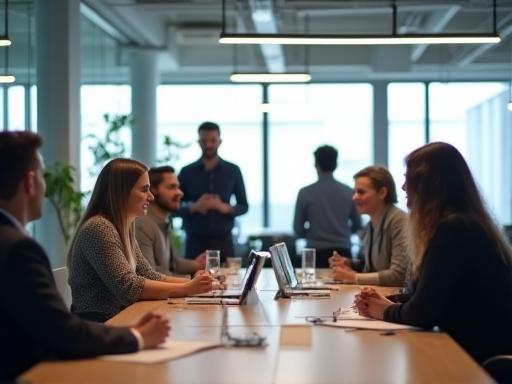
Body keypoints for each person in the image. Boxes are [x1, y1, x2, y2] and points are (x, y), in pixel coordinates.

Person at [0, 131, 170, 382]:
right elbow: (62, 332)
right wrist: (139, 336)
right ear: (30, 183)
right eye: (43, 176)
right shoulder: (19, 250)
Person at [354, 142, 512, 363]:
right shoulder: (464, 222)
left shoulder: (454, 229)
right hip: (469, 345)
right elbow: (434, 294)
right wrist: (388, 300)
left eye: (408, 178)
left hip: (478, 357)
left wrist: (383, 310)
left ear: (429, 184)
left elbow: (422, 314)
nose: (402, 187)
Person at [68, 158, 213, 323]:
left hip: (118, 319)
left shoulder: (123, 227)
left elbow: (148, 274)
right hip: (99, 325)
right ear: (122, 192)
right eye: (145, 190)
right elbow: (129, 287)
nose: (151, 197)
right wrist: (187, 288)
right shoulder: (100, 228)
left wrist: (194, 283)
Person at [178, 121, 248, 263]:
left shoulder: (233, 170)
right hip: (194, 243)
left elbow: (244, 206)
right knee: (193, 283)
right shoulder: (186, 172)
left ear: (219, 141)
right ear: (199, 142)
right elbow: (173, 207)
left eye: (212, 141)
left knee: (228, 282)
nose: (208, 145)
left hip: (225, 242)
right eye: (204, 141)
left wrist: (224, 207)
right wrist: (194, 207)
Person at [329, 166, 408, 286]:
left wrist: (354, 277)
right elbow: (370, 267)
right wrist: (348, 263)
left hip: (393, 300)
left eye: (361, 192)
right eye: (354, 192)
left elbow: (398, 275)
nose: (354, 197)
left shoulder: (400, 222)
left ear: (382, 193)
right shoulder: (370, 225)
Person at [293, 145, 361, 267]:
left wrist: (315, 233)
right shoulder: (349, 192)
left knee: (311, 284)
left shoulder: (305, 193)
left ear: (315, 164)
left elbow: (297, 228)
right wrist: (342, 232)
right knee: (345, 285)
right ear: (336, 164)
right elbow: (358, 225)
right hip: (343, 253)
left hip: (314, 253)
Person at [135, 166, 206, 275]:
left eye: (178, 187)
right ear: (153, 190)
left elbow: (173, 263)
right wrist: (190, 282)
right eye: (172, 187)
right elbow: (149, 276)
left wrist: (198, 265)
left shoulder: (163, 221)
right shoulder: (142, 225)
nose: (180, 193)